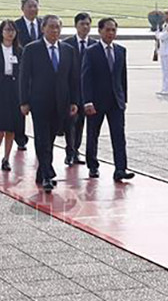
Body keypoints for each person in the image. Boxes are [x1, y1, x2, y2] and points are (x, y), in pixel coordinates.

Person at [19, 15, 79, 193]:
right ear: (43, 28)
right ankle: (47, 174)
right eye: (51, 27)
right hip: (39, 102)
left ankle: (42, 170)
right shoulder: (32, 49)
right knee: (42, 138)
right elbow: (24, 77)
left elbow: (73, 78)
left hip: (61, 102)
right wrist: (24, 101)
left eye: (58, 28)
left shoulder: (68, 50)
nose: (55, 31)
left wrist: (74, 101)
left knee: (51, 138)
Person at [82, 18, 134, 182]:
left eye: (113, 30)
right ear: (100, 31)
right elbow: (86, 78)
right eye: (108, 30)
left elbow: (122, 76)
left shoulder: (120, 51)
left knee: (119, 136)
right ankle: (92, 165)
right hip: (96, 102)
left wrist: (123, 98)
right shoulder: (91, 51)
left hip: (115, 102)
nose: (111, 33)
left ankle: (120, 168)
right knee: (93, 135)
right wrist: (87, 101)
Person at [0, 20, 24, 171]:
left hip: (15, 91)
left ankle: (6, 158)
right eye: (7, 30)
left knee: (12, 127)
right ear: (1, 32)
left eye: (12, 30)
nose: (10, 33)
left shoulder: (20, 51)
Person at [62, 12, 97, 165]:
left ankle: (76, 150)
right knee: (70, 123)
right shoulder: (67, 44)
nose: (85, 27)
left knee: (81, 123)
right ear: (76, 26)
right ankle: (69, 151)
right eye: (82, 24)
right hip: (71, 90)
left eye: (88, 24)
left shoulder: (95, 45)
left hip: (87, 92)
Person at [13, 0, 43, 151]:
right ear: (22, 8)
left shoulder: (44, 24)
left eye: (35, 6)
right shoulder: (16, 26)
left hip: (40, 74)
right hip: (22, 71)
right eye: (29, 6)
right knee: (22, 106)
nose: (32, 9)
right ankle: (20, 137)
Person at [156, 6, 168, 96]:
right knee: (164, 71)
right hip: (163, 50)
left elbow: (164, 36)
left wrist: (158, 35)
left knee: (167, 71)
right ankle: (164, 88)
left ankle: (167, 89)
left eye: (166, 14)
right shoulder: (165, 25)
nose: (164, 16)